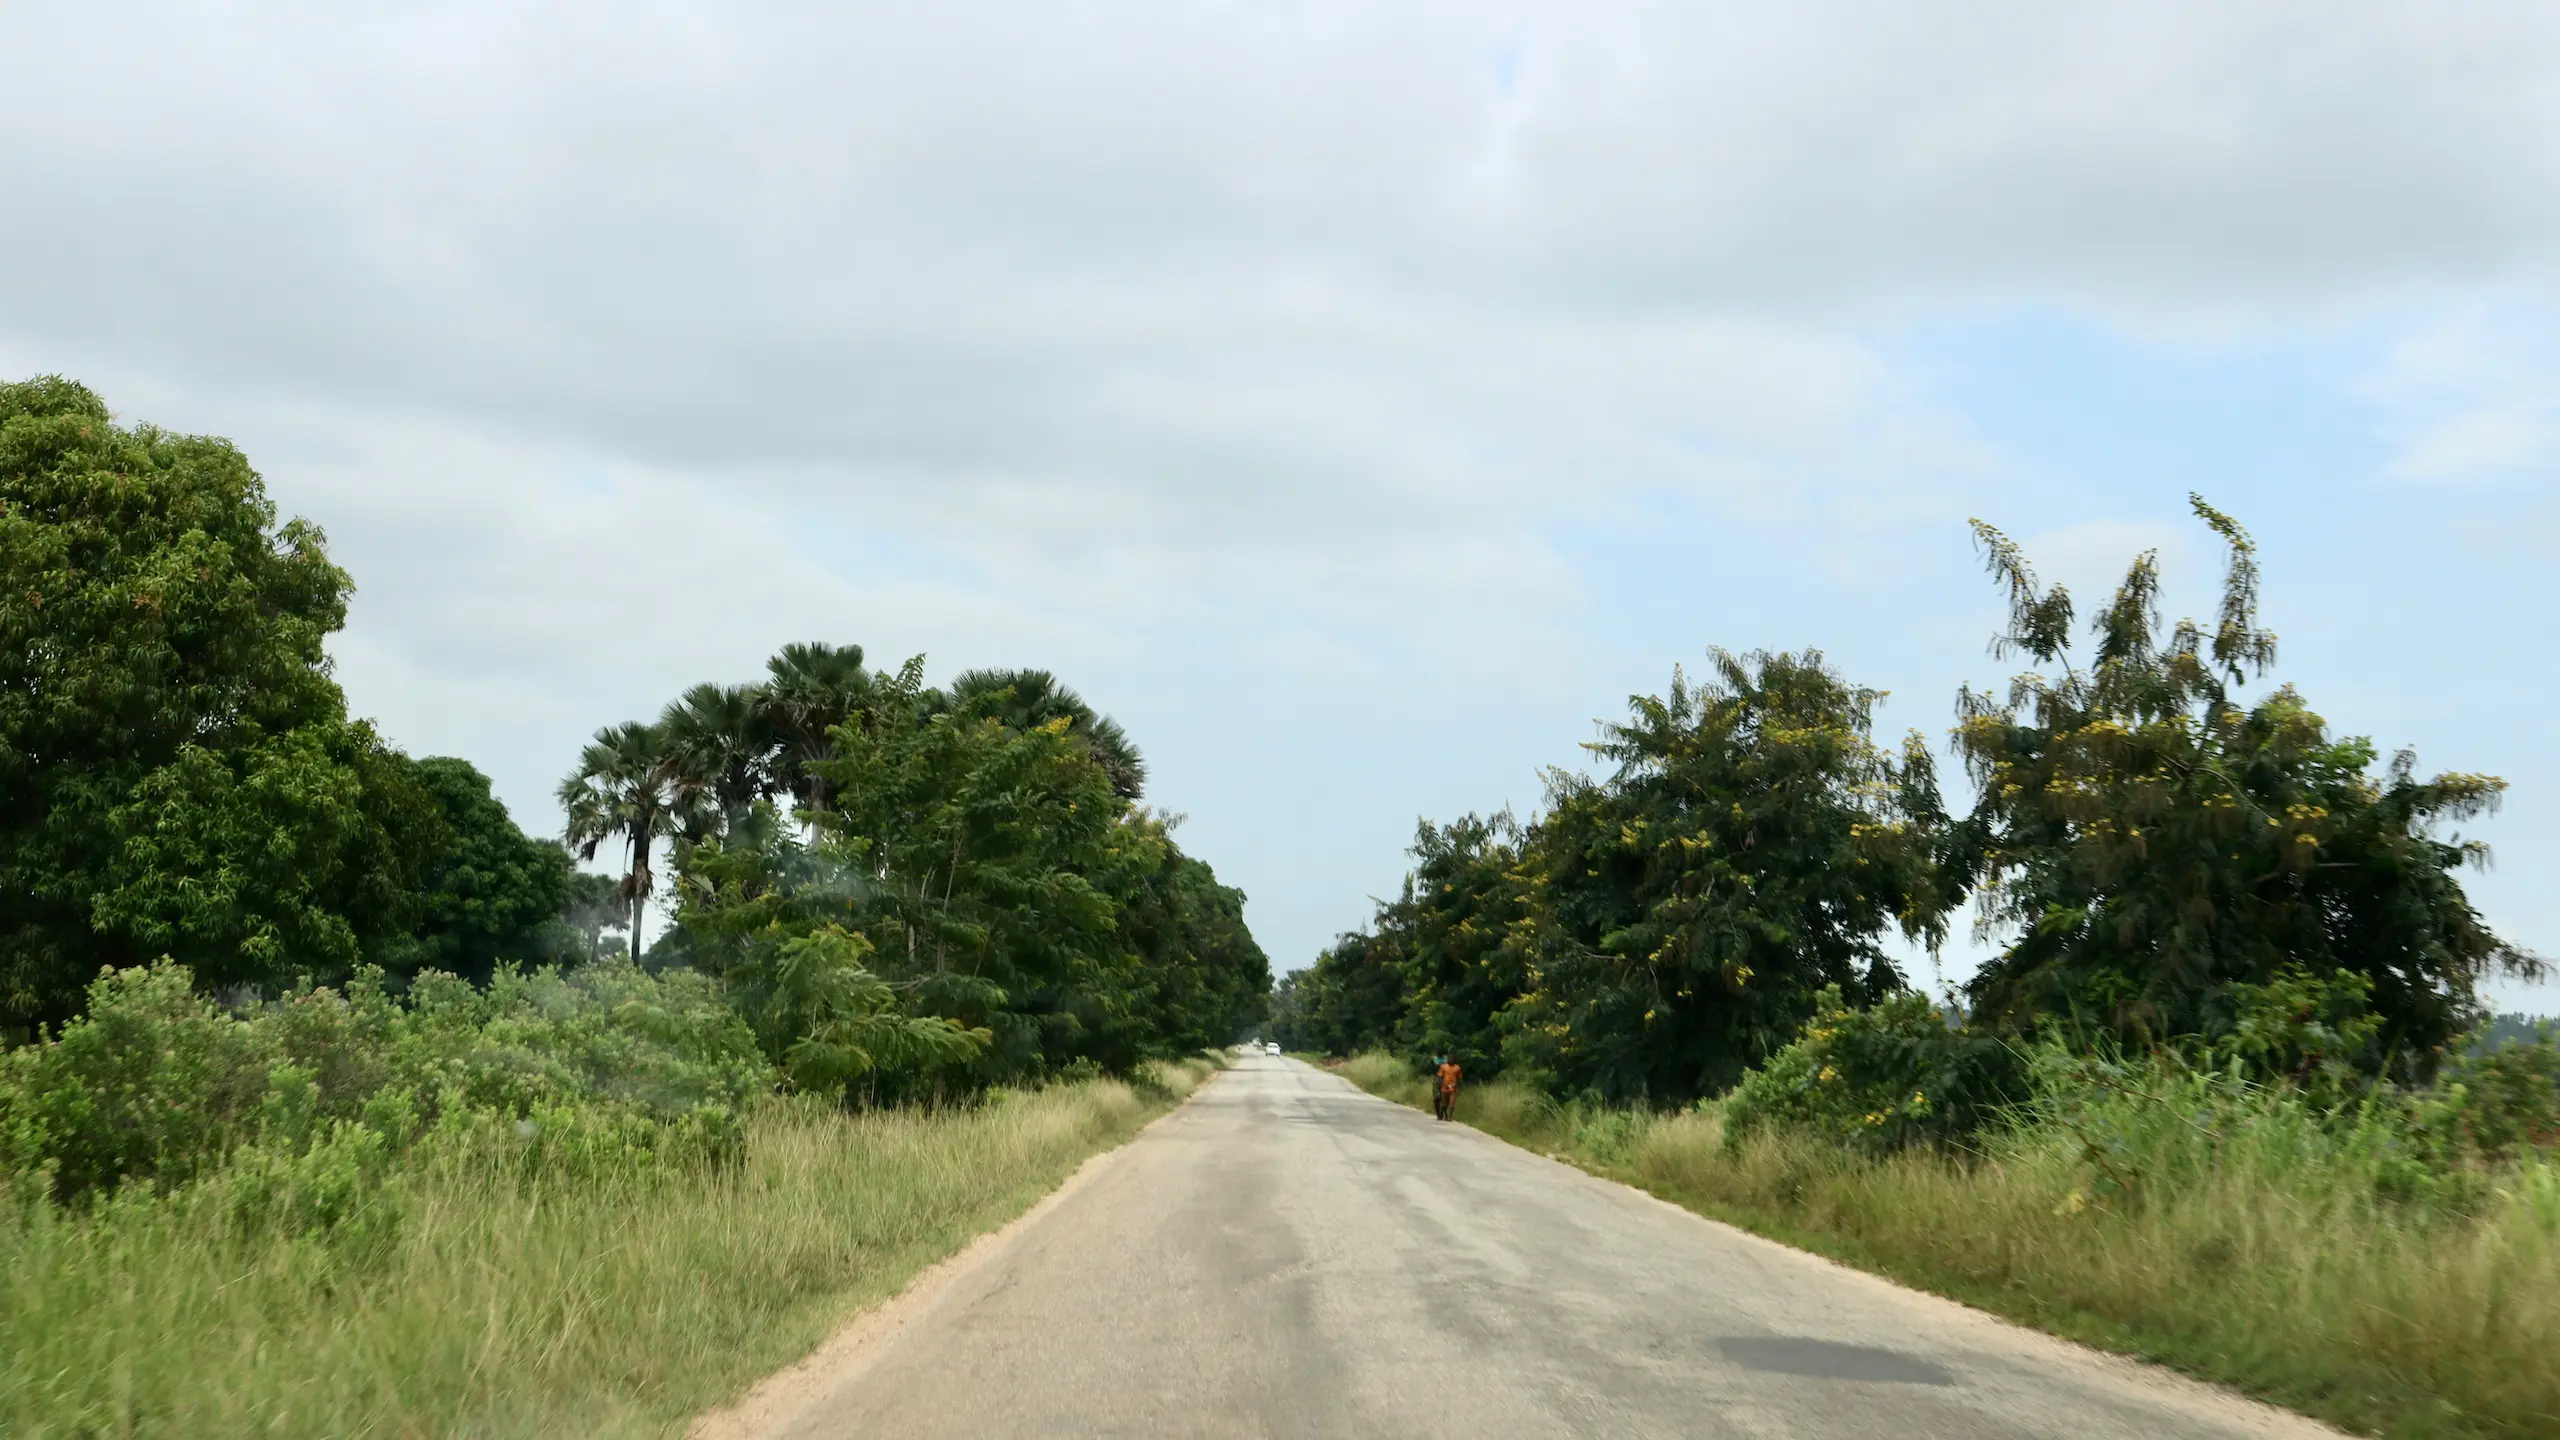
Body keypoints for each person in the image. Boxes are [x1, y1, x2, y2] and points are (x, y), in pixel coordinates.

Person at [1433, 1055, 1462, 1121]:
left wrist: (1456, 1085)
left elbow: (1459, 1078)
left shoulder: (1457, 1068)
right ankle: (1441, 1115)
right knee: (1444, 1103)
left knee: (1452, 1103)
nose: (1450, 1060)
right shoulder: (1443, 1067)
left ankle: (1449, 1117)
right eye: (1449, 1059)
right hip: (1444, 1087)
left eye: (1451, 1059)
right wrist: (1442, 1085)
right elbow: (1440, 1077)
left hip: (1452, 1088)